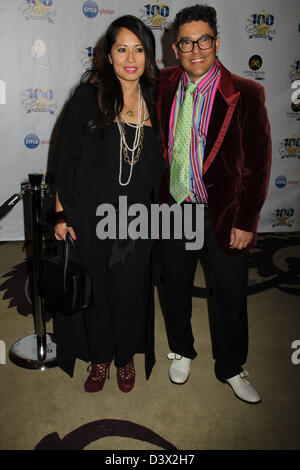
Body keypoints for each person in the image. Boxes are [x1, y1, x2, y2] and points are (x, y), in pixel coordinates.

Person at [157, 4, 271, 403]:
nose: (196, 49)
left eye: (204, 40)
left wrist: (246, 219)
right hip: (174, 207)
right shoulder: (163, 84)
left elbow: (258, 164)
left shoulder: (246, 92)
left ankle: (231, 367)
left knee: (230, 293)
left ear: (217, 42)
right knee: (174, 286)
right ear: (175, 48)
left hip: (223, 213)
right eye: (186, 42)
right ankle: (182, 349)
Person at [54, 15, 164, 393]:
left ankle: (125, 357)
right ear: (109, 54)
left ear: (149, 55)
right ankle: (100, 358)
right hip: (91, 214)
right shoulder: (91, 95)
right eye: (122, 49)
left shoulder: (158, 97)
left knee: (131, 292)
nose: (130, 58)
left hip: (139, 219)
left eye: (139, 49)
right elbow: (65, 159)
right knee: (98, 292)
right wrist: (60, 213)